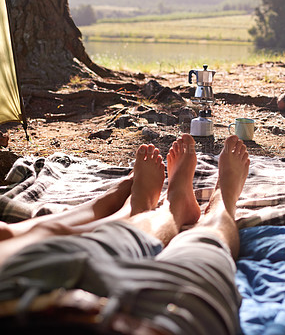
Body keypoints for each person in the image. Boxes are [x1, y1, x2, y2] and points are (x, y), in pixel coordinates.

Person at [0, 134, 250, 335]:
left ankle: (167, 208)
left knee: (120, 235)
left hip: (24, 289)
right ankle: (220, 201)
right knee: (205, 246)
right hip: (163, 319)